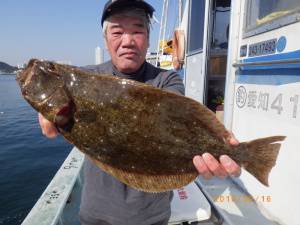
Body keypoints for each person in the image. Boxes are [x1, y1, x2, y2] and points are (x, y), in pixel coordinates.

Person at [38, 1, 241, 224]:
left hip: (151, 217)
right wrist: (49, 110)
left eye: (137, 31)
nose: (128, 41)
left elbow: (177, 115)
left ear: (148, 38)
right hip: (96, 214)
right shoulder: (86, 77)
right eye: (117, 32)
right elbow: (50, 130)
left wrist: (218, 142)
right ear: (106, 40)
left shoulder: (166, 80)